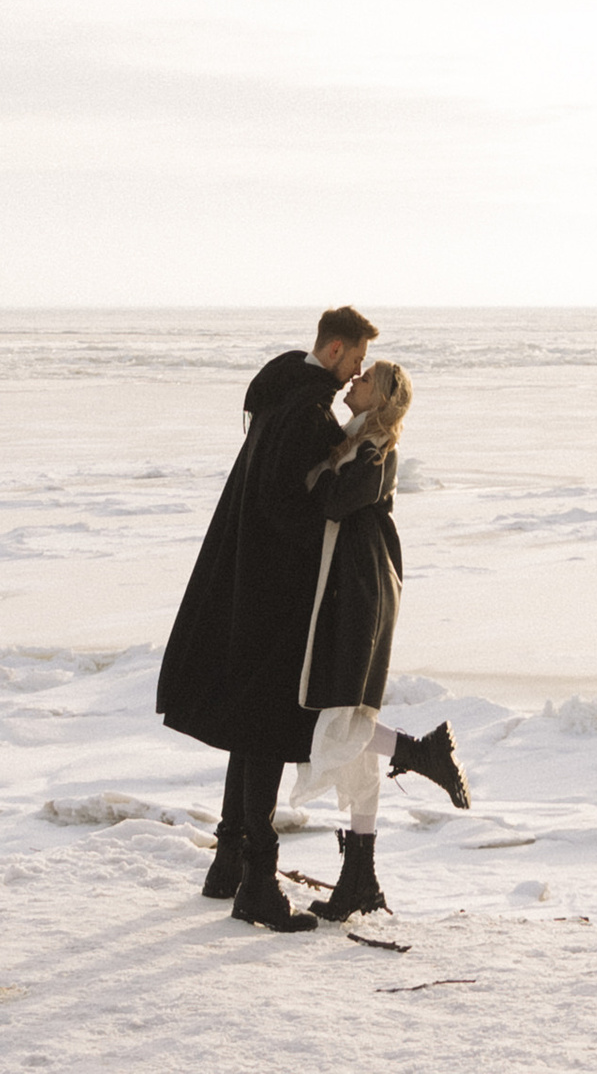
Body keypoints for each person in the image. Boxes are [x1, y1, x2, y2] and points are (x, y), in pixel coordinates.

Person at [157, 303, 376, 932]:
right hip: (273, 594)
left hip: (241, 581)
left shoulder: (279, 397)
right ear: (335, 350)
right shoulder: (305, 413)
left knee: (248, 728)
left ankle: (228, 863)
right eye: (356, 360)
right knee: (265, 733)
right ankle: (257, 885)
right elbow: (288, 512)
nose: (356, 372)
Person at [287, 356, 469, 923]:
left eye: (365, 381)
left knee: (341, 721)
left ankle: (422, 751)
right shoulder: (356, 440)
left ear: (382, 397)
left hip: (360, 595)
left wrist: (317, 473)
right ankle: (360, 880)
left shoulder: (374, 449)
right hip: (351, 590)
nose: (354, 382)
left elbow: (337, 502)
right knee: (348, 729)